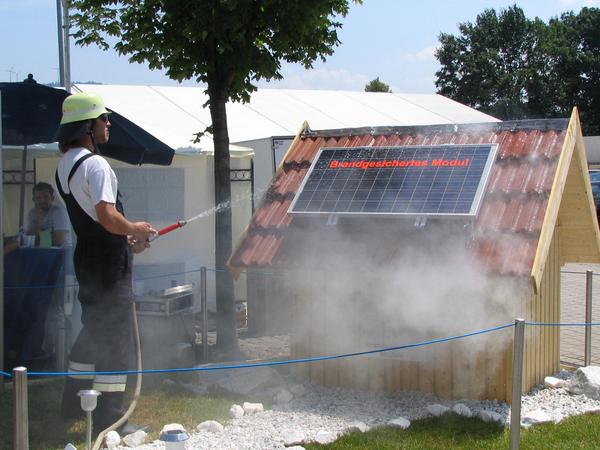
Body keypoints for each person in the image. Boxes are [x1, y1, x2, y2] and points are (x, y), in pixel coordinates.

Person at [54, 92, 155, 434]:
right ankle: (110, 418)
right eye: (104, 119)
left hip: (89, 258)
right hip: (109, 267)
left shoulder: (65, 164)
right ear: (88, 126)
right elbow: (107, 214)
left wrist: (124, 238)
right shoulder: (96, 164)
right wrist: (134, 229)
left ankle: (73, 401)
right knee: (114, 337)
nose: (108, 124)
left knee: (93, 329)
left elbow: (94, 220)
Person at [25, 182, 72, 246]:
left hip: (61, 253)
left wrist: (38, 235)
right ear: (34, 200)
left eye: (46, 197)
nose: (42, 200)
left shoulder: (59, 212)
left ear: (52, 198)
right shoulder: (32, 213)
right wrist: (38, 224)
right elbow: (28, 237)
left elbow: (59, 240)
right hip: (41, 251)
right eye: (38, 198)